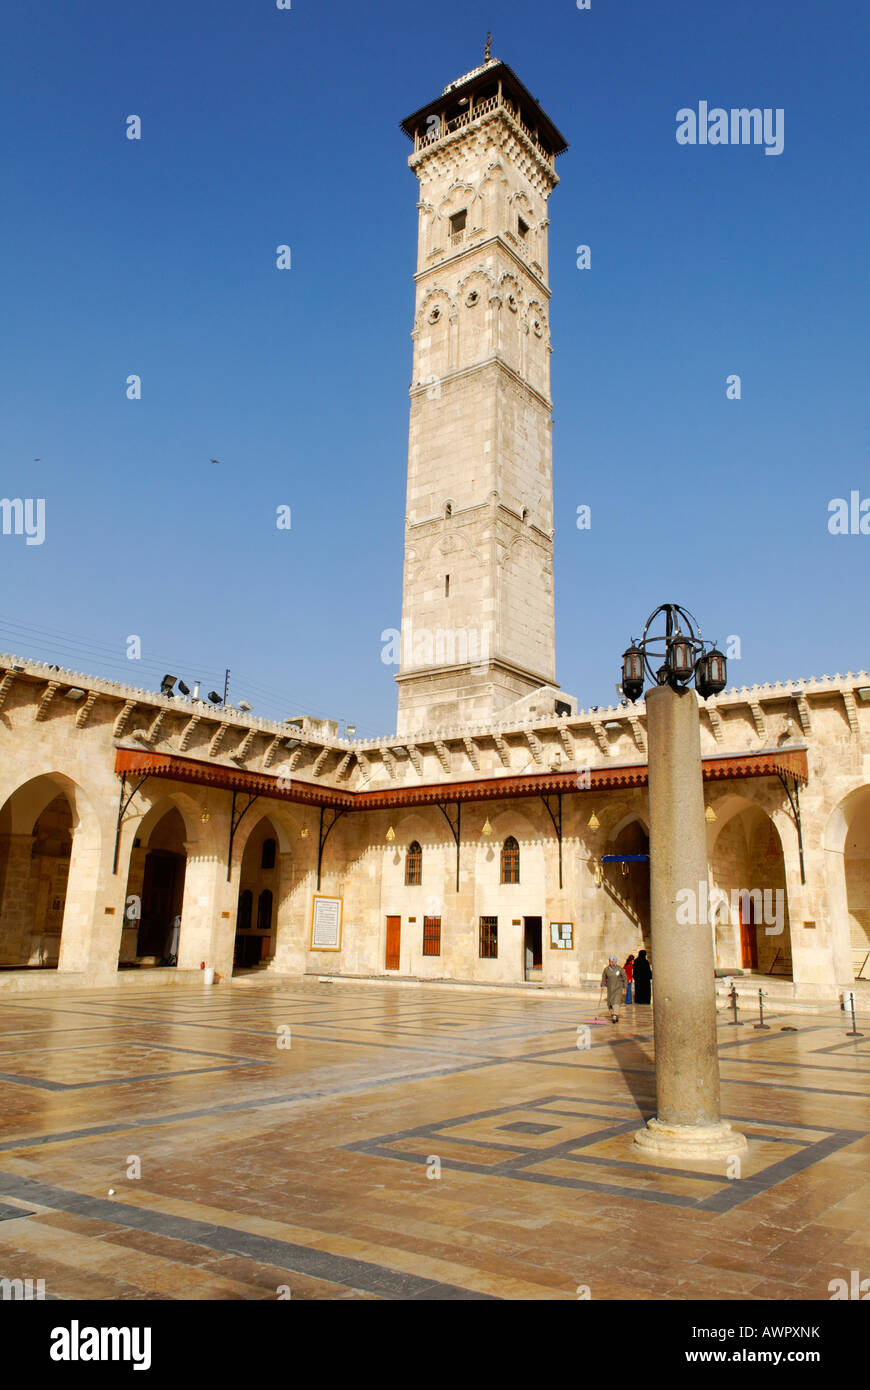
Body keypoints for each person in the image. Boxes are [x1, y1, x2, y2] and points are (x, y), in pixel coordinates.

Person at [601, 956, 628, 1023]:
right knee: (610, 1002)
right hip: (610, 988)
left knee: (616, 1001)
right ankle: (613, 1014)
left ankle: (615, 1014)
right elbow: (604, 978)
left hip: (618, 988)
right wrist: (602, 985)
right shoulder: (606, 969)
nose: (611, 963)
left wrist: (625, 987)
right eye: (610, 961)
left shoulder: (619, 969)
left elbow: (624, 977)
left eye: (612, 961)